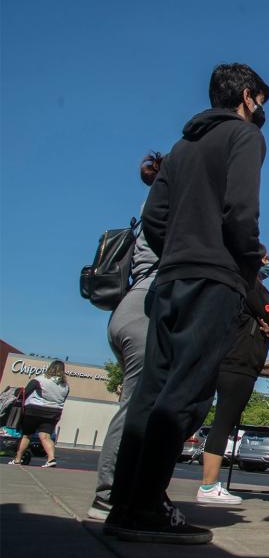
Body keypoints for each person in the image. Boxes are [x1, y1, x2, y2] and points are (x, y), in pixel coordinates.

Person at [105, 63, 269, 545]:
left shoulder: (181, 147)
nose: (262, 110)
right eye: (260, 99)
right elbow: (242, 210)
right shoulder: (244, 138)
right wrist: (246, 260)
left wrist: (180, 246)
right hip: (213, 279)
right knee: (188, 394)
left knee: (151, 392)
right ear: (245, 96)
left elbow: (156, 217)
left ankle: (125, 501)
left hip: (171, 277)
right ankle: (148, 506)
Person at [87, 153, 164, 520]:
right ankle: (108, 495)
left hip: (128, 309)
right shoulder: (166, 201)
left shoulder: (152, 201)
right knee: (135, 408)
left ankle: (122, 489)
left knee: (137, 406)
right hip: (145, 312)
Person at [196, 252, 269, 505]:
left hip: (223, 359)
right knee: (224, 423)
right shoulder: (251, 285)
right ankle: (208, 486)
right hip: (239, 363)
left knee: (214, 419)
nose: (268, 263)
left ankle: (207, 483)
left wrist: (267, 327)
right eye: (265, 258)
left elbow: (265, 322)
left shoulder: (231, 286)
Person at [10, 360, 69, 467]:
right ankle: (51, 459)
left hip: (34, 411)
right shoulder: (65, 386)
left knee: (26, 435)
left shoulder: (39, 380)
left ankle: (18, 459)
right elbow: (62, 399)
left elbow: (24, 393)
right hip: (53, 413)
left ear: (50, 368)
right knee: (45, 436)